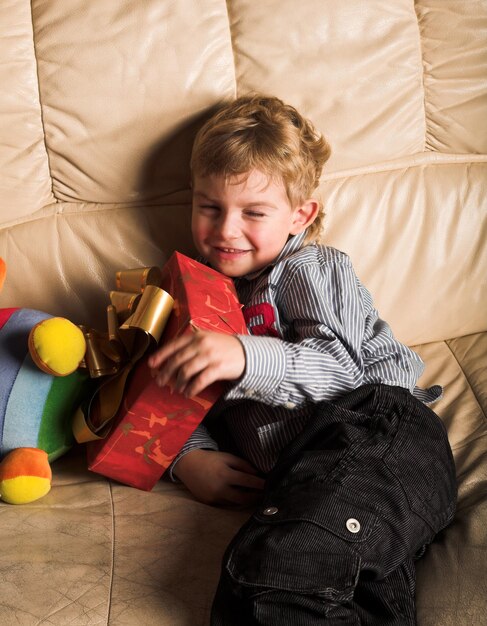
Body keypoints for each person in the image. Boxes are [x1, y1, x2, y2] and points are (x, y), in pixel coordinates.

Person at [148, 94, 457, 625]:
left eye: (254, 212)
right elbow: (169, 393)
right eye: (209, 206)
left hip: (379, 432)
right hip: (307, 483)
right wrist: (187, 459)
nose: (225, 230)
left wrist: (245, 355)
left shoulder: (308, 269)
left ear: (299, 215)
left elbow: (344, 374)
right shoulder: (195, 294)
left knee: (280, 573)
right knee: (257, 595)